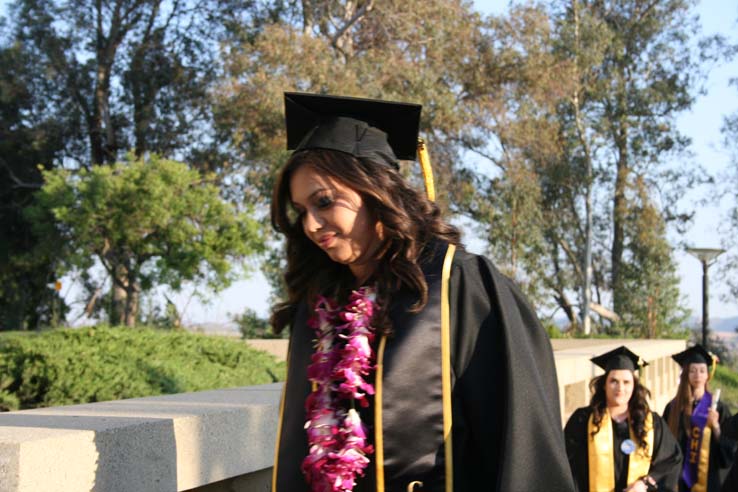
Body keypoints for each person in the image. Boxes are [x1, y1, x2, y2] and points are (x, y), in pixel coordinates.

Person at [269, 92, 575, 492]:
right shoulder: (323, 308)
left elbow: (519, 441)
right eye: (301, 210)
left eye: (324, 202)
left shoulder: (457, 283)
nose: (311, 225)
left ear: (375, 191)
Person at [564, 346, 682, 492]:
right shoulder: (583, 420)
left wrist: (645, 483)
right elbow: (567, 464)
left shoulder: (650, 422)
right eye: (614, 381)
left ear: (634, 386)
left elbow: (671, 460)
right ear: (604, 385)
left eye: (626, 382)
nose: (620, 388)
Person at [663, 345, 736, 491]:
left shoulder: (719, 409)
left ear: (707, 375)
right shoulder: (673, 408)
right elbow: (665, 444)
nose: (698, 375)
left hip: (709, 480)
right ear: (686, 375)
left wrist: (715, 426)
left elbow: (730, 449)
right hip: (679, 480)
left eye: (702, 371)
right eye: (693, 371)